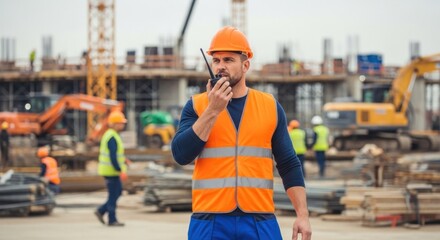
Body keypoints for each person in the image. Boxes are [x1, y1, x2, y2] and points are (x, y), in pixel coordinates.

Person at [171, 26, 311, 240]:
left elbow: (289, 163)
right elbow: (181, 155)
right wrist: (212, 111)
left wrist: (302, 214)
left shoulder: (269, 106)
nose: (220, 67)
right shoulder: (197, 106)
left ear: (245, 65)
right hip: (209, 220)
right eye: (216, 61)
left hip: (259, 219)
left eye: (228, 60)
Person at [94, 110, 128, 227]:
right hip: (111, 171)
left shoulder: (111, 135)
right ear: (114, 124)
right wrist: (119, 170)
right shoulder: (112, 137)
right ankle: (111, 219)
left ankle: (101, 211)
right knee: (114, 194)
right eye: (121, 123)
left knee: (116, 193)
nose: (123, 125)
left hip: (110, 171)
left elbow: (116, 154)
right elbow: (113, 156)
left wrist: (124, 160)